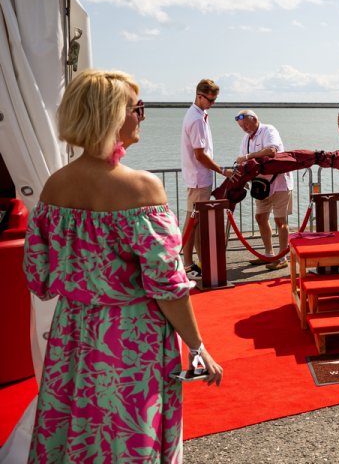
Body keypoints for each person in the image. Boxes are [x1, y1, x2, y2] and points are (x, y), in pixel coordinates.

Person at [23, 70, 223, 463]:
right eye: (138, 108)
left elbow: (38, 277)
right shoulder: (141, 188)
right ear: (113, 115)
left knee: (78, 432)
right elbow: (167, 286)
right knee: (129, 435)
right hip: (131, 338)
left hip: (74, 334)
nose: (142, 116)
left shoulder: (55, 186)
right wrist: (199, 348)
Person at [180, 79, 231, 277]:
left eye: (214, 100)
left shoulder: (199, 114)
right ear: (199, 96)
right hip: (198, 177)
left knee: (196, 221)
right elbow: (200, 154)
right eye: (210, 100)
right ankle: (187, 263)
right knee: (192, 221)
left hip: (199, 176)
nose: (212, 104)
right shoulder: (196, 119)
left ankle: (199, 261)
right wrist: (222, 171)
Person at [234, 109, 293, 270]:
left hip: (279, 183)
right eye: (242, 126)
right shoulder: (246, 139)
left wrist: (247, 157)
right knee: (260, 217)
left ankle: (282, 257)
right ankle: (268, 254)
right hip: (260, 186)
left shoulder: (269, 130)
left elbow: (271, 151)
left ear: (255, 119)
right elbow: (241, 162)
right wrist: (242, 179)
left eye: (246, 124)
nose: (245, 128)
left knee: (280, 221)